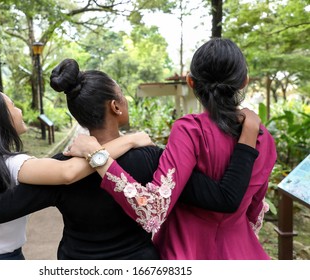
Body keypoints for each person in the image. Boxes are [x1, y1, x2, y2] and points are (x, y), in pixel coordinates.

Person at [0, 59, 262, 260]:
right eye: (123, 96)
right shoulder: (151, 158)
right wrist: (245, 140)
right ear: (116, 106)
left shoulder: (63, 166)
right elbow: (222, 198)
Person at [67, 39, 277, 260]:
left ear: (191, 82)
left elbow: (154, 210)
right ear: (244, 81)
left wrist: (97, 156)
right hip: (243, 253)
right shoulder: (265, 140)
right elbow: (254, 212)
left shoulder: (190, 131)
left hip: (186, 251)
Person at [0, 88, 153, 260]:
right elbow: (68, 171)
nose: (20, 110)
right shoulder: (15, 164)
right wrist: (130, 140)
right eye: (13, 106)